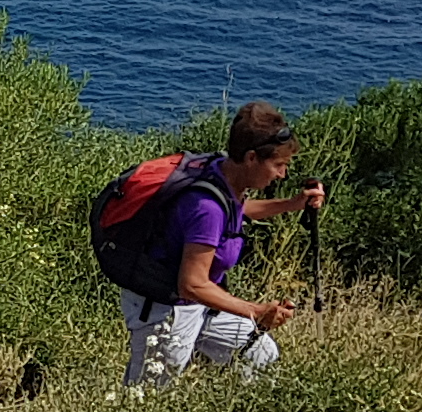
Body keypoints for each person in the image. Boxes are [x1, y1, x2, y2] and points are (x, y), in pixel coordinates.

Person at [122, 100, 326, 386]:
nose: (282, 174)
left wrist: (292, 204)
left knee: (260, 354)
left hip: (202, 306)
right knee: (148, 396)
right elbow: (192, 284)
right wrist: (256, 311)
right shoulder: (206, 208)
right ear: (252, 158)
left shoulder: (220, 171)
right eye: (278, 165)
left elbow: (236, 211)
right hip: (167, 310)